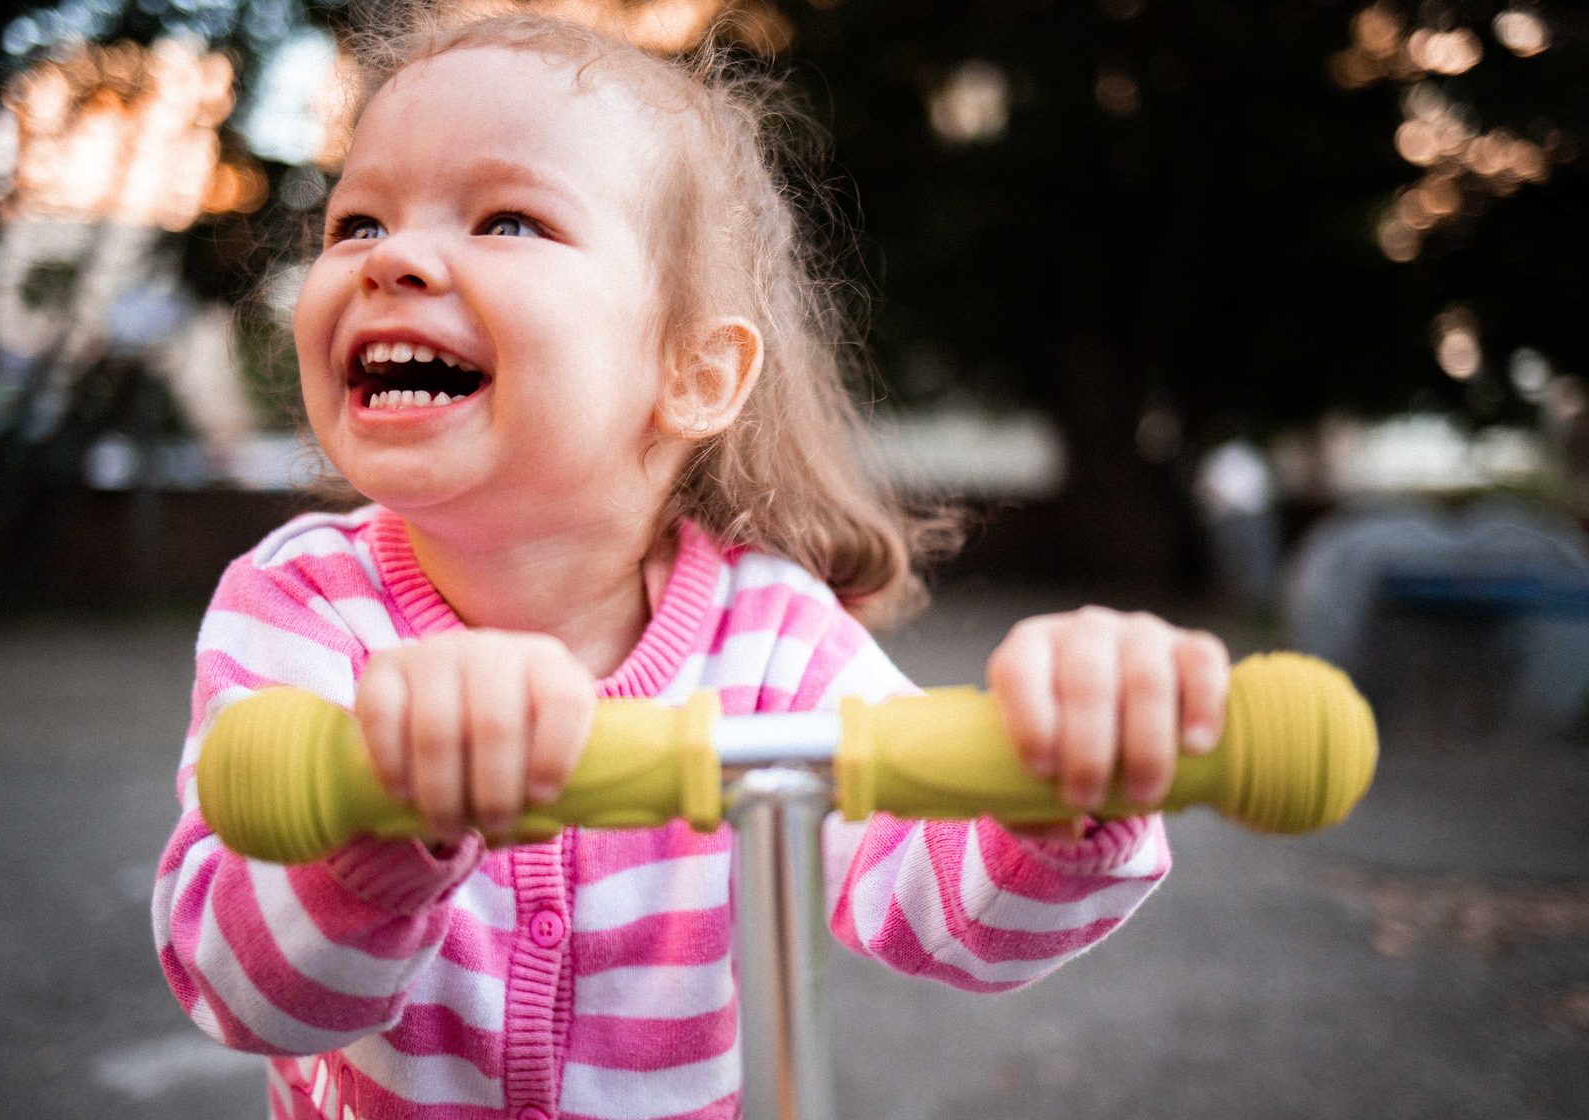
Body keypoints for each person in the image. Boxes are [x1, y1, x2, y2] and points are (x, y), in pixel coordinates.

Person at [151, 11, 1231, 1120]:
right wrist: (377, 826)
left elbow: (945, 918)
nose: (394, 258)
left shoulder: (767, 639)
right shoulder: (302, 609)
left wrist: (1065, 779)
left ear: (696, 372)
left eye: (508, 219)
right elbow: (241, 994)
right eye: (357, 220)